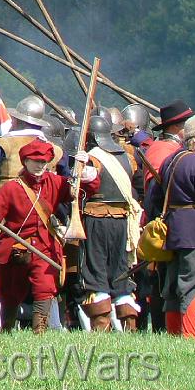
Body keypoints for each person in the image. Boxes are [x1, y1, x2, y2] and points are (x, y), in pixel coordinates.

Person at [0, 139, 99, 333]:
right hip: (16, 249)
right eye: (35, 161)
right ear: (25, 161)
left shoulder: (56, 183)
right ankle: (6, 330)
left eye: (43, 162)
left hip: (45, 246)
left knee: (45, 289)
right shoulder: (12, 188)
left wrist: (84, 168)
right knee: (9, 293)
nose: (39, 165)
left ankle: (40, 332)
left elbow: (84, 192)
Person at [148, 115, 195, 338]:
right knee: (194, 285)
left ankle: (173, 335)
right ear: (194, 138)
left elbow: (154, 198)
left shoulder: (170, 161)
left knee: (172, 286)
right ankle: (190, 336)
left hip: (173, 232)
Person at [79, 115, 142, 331]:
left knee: (96, 274)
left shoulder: (92, 158)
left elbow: (89, 182)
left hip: (97, 221)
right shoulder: (127, 155)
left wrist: (78, 166)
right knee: (120, 274)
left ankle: (101, 328)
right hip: (122, 222)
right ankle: (130, 326)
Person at [0, 95, 65, 200]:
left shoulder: (3, 144)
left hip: (2, 203)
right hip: (40, 206)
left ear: (17, 121)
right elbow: (65, 183)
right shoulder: (57, 151)